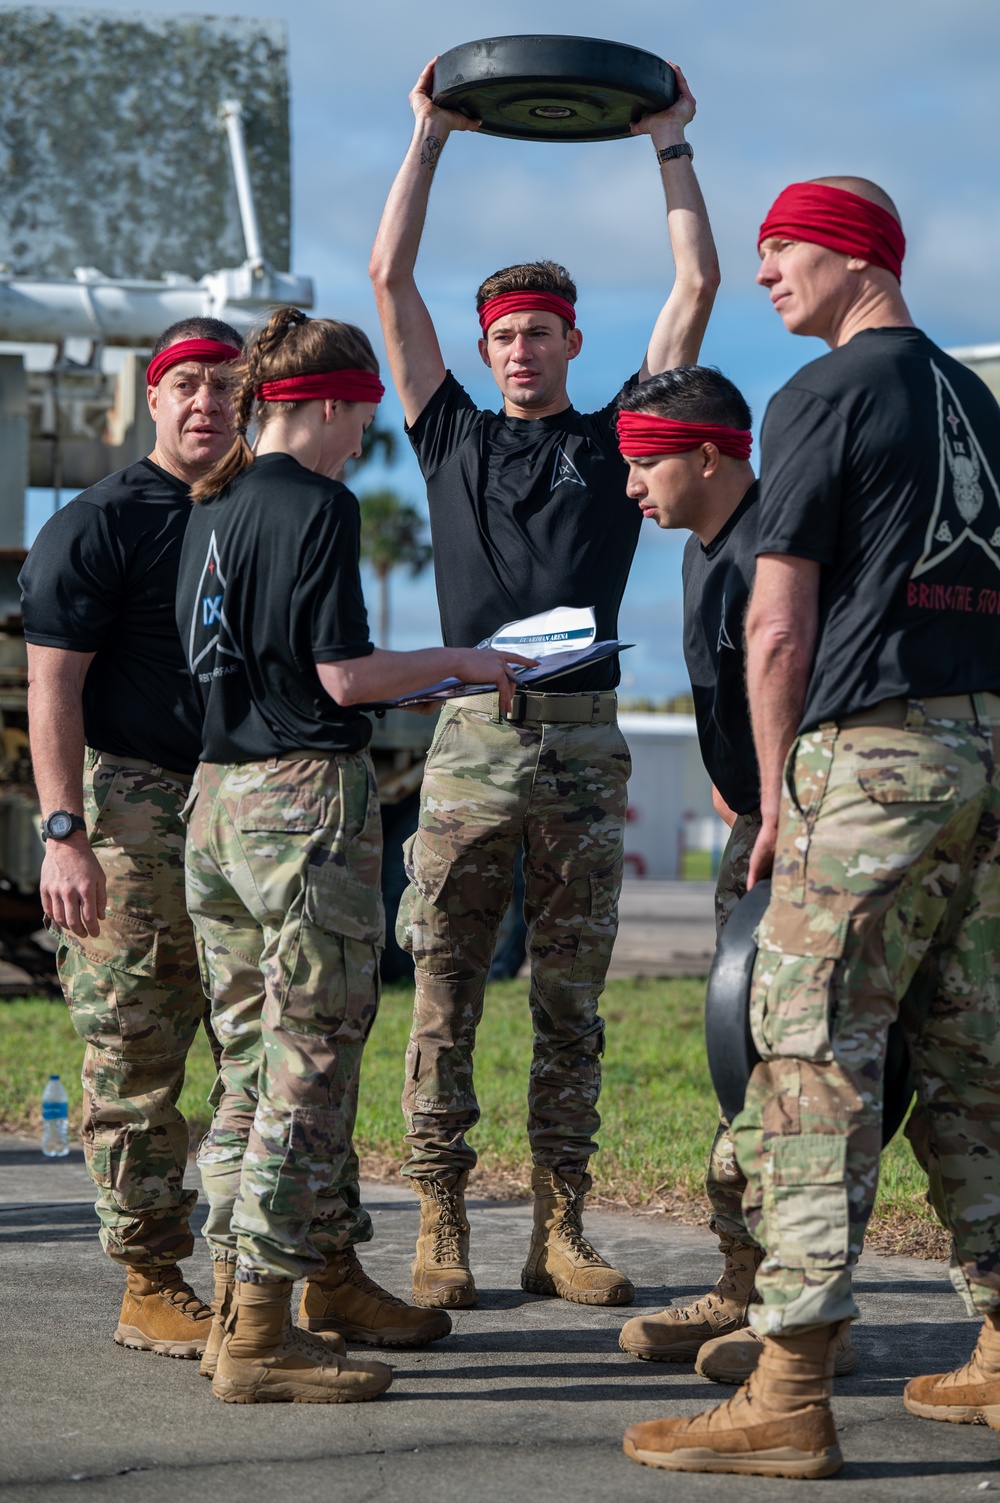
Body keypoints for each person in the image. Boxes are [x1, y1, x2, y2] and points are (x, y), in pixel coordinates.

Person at [622, 178, 1000, 1479]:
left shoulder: (823, 393)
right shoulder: (977, 399)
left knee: (807, 1053)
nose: (770, 273)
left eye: (783, 250)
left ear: (848, 258)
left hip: (874, 753)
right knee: (966, 1051)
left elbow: (775, 623)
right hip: (983, 753)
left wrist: (780, 794)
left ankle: (789, 1381)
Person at [369, 57, 719, 1313]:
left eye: (541, 333)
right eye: (503, 336)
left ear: (575, 342)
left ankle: (559, 1225)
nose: (521, 351)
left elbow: (692, 287)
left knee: (571, 1002)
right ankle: (441, 1218)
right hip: (469, 743)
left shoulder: (618, 433)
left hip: (586, 741)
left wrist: (667, 140)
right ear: (484, 349)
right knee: (446, 988)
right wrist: (429, 135)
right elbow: (388, 282)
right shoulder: (447, 432)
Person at [177, 307, 530, 1405]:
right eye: (360, 422)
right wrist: (467, 660)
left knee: (246, 1066)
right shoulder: (314, 505)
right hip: (300, 803)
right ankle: (259, 1339)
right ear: (330, 404)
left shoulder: (211, 504)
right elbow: (339, 678)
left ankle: (243, 1296)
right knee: (309, 1070)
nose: (357, 445)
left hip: (218, 801)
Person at [614, 367, 857, 1384]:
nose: (632, 489)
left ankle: (799, 1315)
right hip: (748, 828)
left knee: (791, 1077)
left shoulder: (776, 547)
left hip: (801, 840)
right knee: (734, 1065)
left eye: (644, 465)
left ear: (708, 455)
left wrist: (781, 806)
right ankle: (740, 1280)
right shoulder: (698, 550)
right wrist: (731, 782)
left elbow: (809, 671)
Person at [20, 318, 242, 1359]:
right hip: (135, 812)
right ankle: (151, 1281)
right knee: (137, 1050)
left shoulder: (263, 510)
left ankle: (288, 1267)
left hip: (252, 805)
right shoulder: (99, 522)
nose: (206, 402)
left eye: (225, 385)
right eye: (186, 383)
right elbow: (52, 684)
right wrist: (64, 834)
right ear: (152, 398)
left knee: (269, 1046)